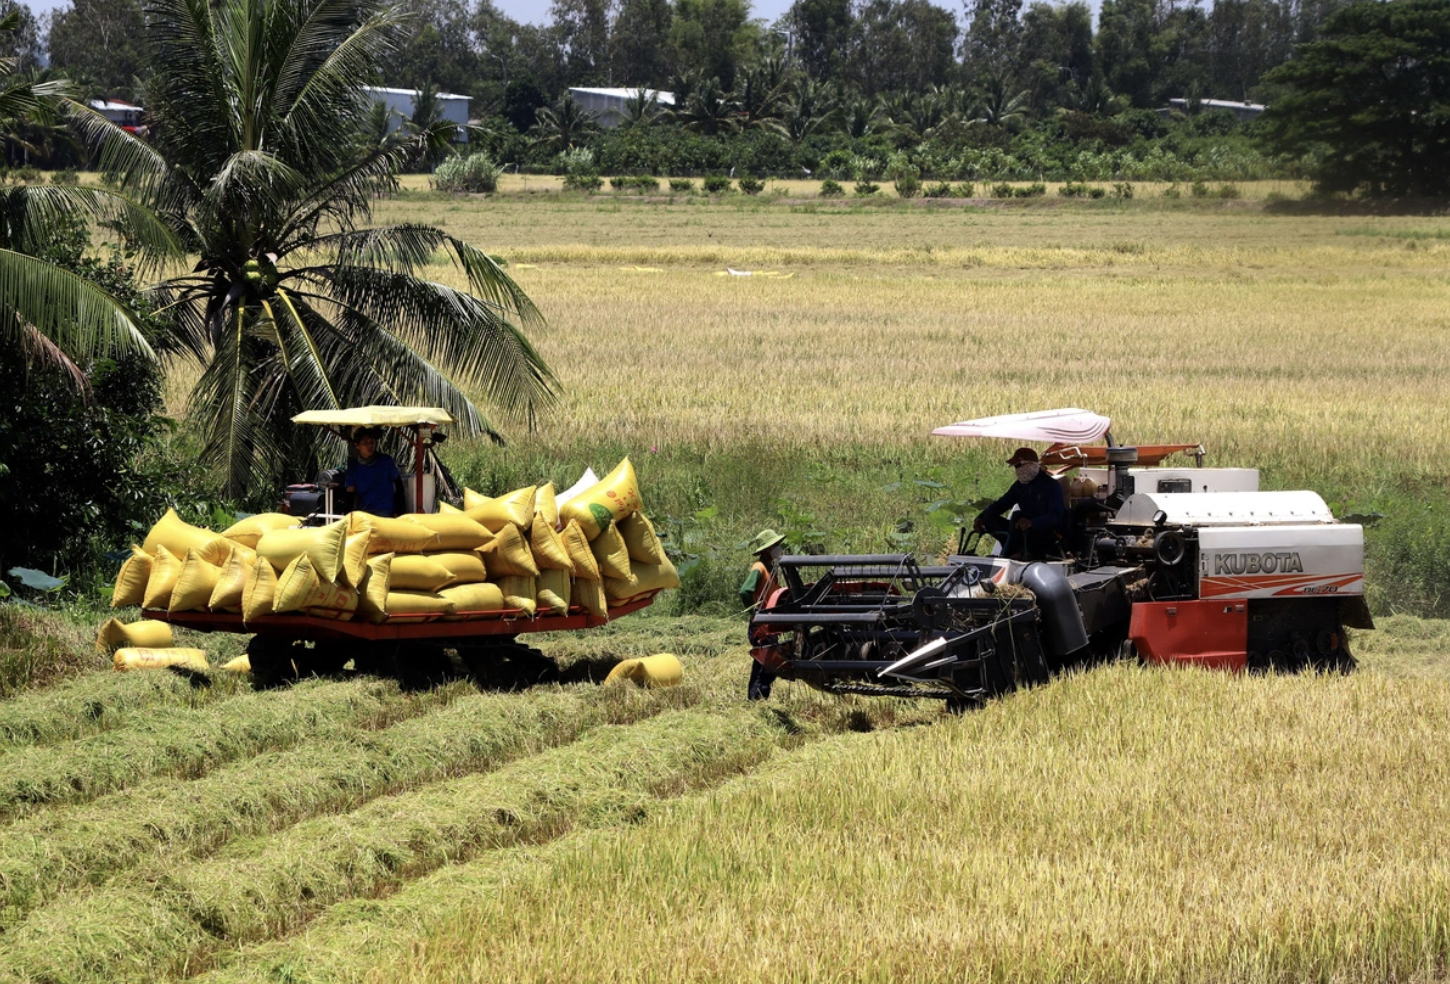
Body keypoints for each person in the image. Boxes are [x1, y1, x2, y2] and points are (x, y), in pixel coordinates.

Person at [973, 447, 1066, 560]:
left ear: (1030, 465)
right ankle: (1012, 551)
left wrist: (1033, 522)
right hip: (1021, 531)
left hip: (1046, 534)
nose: (1017, 470)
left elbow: (1056, 516)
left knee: (1018, 516)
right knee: (989, 516)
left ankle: (1019, 552)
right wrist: (981, 517)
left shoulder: (1051, 485)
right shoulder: (1019, 486)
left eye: (1018, 466)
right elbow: (1002, 504)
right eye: (1015, 467)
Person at [739, 528, 786, 701]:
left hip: (770, 624)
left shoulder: (772, 569)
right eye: (776, 545)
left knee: (769, 665)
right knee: (762, 665)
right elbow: (745, 591)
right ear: (767, 549)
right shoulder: (759, 568)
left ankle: (761, 698)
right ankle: (755, 701)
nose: (779, 548)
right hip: (761, 626)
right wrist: (754, 613)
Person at [344, 427, 403, 517]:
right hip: (364, 512)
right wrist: (347, 517)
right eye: (365, 443)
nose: (369, 445)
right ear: (357, 445)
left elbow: (399, 486)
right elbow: (350, 493)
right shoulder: (353, 466)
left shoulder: (386, 461)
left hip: (385, 512)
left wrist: (397, 511)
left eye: (371, 442)